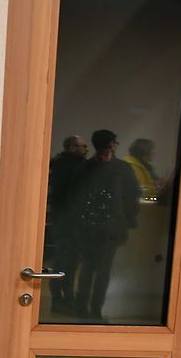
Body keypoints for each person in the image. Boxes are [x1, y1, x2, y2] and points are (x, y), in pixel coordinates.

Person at [71, 129, 139, 322]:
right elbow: (131, 196)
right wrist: (128, 221)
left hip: (88, 227)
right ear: (111, 144)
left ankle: (82, 308)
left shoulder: (85, 168)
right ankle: (94, 311)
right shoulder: (122, 169)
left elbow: (75, 197)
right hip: (110, 228)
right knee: (102, 271)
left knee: (88, 268)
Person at [45, 135, 89, 312]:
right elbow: (66, 195)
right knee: (64, 261)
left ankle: (66, 297)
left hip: (67, 220)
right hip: (66, 221)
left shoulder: (69, 164)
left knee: (70, 261)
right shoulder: (65, 166)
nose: (86, 149)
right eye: (82, 146)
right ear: (72, 147)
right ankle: (59, 299)